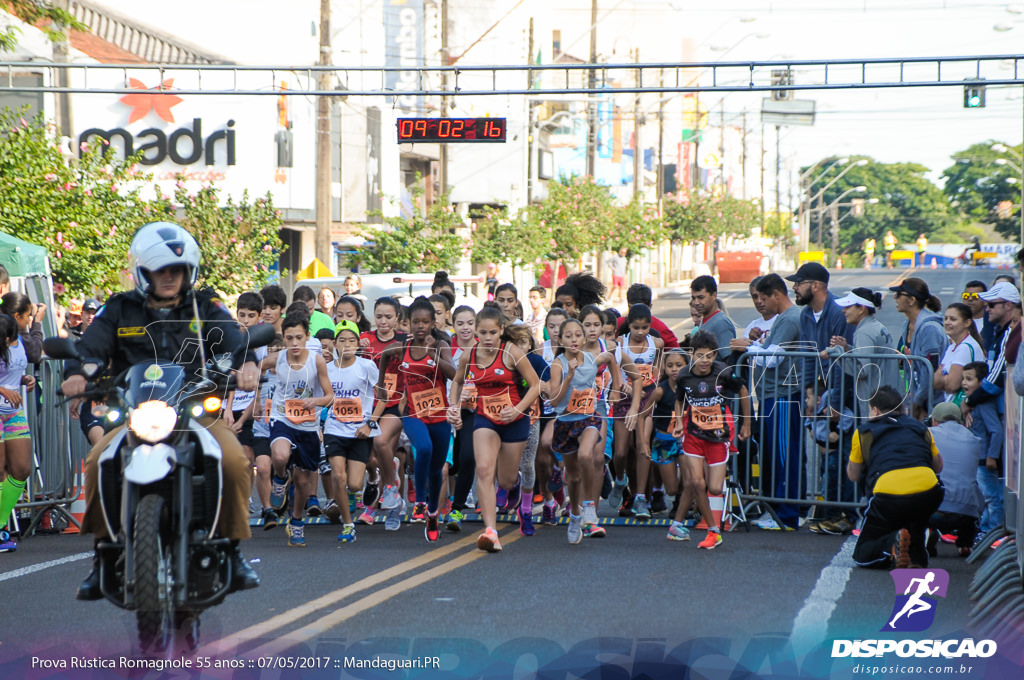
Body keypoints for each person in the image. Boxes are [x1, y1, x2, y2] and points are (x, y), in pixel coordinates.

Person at [65, 221, 261, 598]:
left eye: (176, 270)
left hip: (195, 411)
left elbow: (235, 338)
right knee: (96, 463)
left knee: (235, 460)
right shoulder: (119, 309)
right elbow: (89, 348)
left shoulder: (206, 305)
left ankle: (234, 551)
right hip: (135, 411)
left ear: (189, 270)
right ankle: (101, 555)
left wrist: (248, 362)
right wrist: (78, 374)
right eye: (160, 270)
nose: (169, 277)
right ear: (143, 271)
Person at [448, 307, 540, 551]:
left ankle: (515, 485)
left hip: (514, 420)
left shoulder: (512, 352)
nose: (488, 338)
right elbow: (457, 381)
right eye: (483, 333)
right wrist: (454, 407)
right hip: (485, 418)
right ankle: (491, 531)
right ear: (476, 332)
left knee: (506, 481)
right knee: (484, 469)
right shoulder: (469, 355)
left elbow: (535, 386)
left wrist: (518, 409)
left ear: (501, 331)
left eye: (492, 332)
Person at [547, 318, 636, 544]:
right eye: (569, 336)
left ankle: (588, 505)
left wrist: (616, 388)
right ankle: (575, 516)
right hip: (566, 422)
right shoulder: (557, 365)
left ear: (583, 338)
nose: (574, 339)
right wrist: (568, 376)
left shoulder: (591, 359)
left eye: (578, 335)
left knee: (587, 454)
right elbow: (556, 402)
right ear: (561, 339)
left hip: (590, 418)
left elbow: (611, 358)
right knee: (573, 476)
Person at [374, 297, 456, 542]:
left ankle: (432, 514)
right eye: (416, 322)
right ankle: (420, 500)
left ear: (433, 323)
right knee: (424, 447)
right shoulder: (402, 347)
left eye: (426, 322)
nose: (420, 326)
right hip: (412, 412)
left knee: (437, 471)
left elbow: (453, 372)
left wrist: (435, 358)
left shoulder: (440, 345)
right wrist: (380, 385)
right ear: (407, 323)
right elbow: (385, 357)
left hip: (439, 414)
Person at [730, 273, 805, 531]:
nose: (762, 303)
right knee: (777, 456)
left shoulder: (789, 319)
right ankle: (779, 511)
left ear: (777, 294)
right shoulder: (786, 319)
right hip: (774, 397)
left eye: (764, 297)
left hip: (783, 396)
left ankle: (787, 515)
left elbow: (773, 359)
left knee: (785, 458)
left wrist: (747, 346)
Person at [669, 331, 751, 548]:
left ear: (715, 356)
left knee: (714, 488)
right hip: (694, 435)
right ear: (691, 354)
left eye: (709, 356)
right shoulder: (684, 375)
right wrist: (679, 422)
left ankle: (701, 526)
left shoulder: (723, 372)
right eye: (700, 356)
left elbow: (743, 390)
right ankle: (714, 531)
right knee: (696, 482)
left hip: (717, 437)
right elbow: (679, 401)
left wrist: (746, 423)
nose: (704, 361)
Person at [848, 386, 944, 569]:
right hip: (928, 491)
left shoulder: (864, 432)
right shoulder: (920, 427)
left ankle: (892, 541)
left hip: (888, 494)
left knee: (863, 556)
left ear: (875, 410)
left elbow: (853, 475)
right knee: (917, 516)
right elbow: (938, 465)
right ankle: (916, 554)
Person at [264, 312, 335, 547]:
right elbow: (255, 369)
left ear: (307, 337)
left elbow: (329, 396)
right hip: (282, 417)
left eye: (298, 337)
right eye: (289, 338)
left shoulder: (317, 361)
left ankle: (296, 522)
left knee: (304, 482)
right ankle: (280, 477)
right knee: (280, 455)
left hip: (308, 423)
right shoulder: (278, 358)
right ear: (283, 338)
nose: (294, 343)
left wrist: (315, 402)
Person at [323, 319, 381, 544]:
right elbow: (324, 398)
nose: (347, 344)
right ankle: (348, 525)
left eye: (352, 340)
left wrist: (370, 424)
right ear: (335, 344)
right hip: (335, 428)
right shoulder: (326, 369)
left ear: (358, 343)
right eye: (342, 340)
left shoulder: (366, 366)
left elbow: (382, 398)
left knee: (355, 485)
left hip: (360, 431)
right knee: (338, 475)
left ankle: (373, 477)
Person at [360, 297, 407, 529]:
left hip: (395, 405)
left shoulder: (404, 340)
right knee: (372, 457)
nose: (383, 321)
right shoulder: (365, 340)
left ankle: (391, 497)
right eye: (379, 316)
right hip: (368, 405)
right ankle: (390, 478)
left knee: (380, 442)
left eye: (388, 317)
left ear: (397, 318)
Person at [824, 288, 900, 420]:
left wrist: (835, 352)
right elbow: (870, 355)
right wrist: (847, 348)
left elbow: (862, 370)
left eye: (848, 307)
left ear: (861, 309)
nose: (844, 311)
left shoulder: (864, 332)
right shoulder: (875, 326)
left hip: (877, 401)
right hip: (888, 396)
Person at [927, 401, 983, 557]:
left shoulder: (928, 434)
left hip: (933, 510)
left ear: (935, 421)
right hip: (965, 512)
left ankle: (923, 538)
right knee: (974, 489)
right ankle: (965, 543)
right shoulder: (973, 439)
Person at [0, 314, 36, 554]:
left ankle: (0, 522)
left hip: (13, 411)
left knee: (22, 468)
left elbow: (11, 370)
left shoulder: (18, 341)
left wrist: (24, 378)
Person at [890, 278, 948, 420]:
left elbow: (930, 370)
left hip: (935, 402)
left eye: (899, 295)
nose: (894, 297)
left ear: (912, 300)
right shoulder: (907, 325)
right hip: (919, 398)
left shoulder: (929, 329)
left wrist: (917, 402)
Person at [965, 282, 1022, 411]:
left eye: (991, 305)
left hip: (1004, 412)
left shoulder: (1010, 333)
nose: (987, 309)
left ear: (1007, 305)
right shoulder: (1000, 332)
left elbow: (995, 380)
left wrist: (970, 401)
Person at [961, 361, 1004, 536]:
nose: (964, 383)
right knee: (983, 496)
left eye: (969, 379)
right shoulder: (972, 403)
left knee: (991, 496)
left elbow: (996, 430)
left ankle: (992, 529)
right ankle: (985, 527)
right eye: (963, 378)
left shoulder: (984, 404)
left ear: (982, 382)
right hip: (976, 458)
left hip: (984, 458)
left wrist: (992, 456)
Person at [446, 305, 478, 532]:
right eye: (460, 323)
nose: (465, 328)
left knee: (468, 458)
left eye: (470, 323)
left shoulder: (484, 348)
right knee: (449, 464)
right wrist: (453, 407)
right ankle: (432, 506)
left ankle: (456, 507)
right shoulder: (446, 348)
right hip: (449, 410)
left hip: (475, 412)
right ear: (453, 324)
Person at [934, 303, 984, 404]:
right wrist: (946, 379)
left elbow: (951, 386)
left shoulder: (965, 348)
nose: (947, 322)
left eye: (953, 319)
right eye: (946, 318)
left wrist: (943, 378)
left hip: (963, 407)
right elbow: (935, 383)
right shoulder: (952, 346)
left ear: (967, 323)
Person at [615, 283, 681, 350]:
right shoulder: (616, 326)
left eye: (644, 327)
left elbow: (677, 352)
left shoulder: (660, 328)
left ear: (650, 307)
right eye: (636, 327)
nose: (640, 332)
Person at [690, 275, 736, 360]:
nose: (696, 303)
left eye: (701, 297)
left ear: (714, 296)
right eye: (693, 298)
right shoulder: (704, 321)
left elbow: (729, 360)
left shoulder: (721, 323)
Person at [961, 280, 992, 346]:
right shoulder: (956, 322)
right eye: (966, 296)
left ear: (985, 300)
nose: (970, 299)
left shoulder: (990, 324)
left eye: (975, 296)